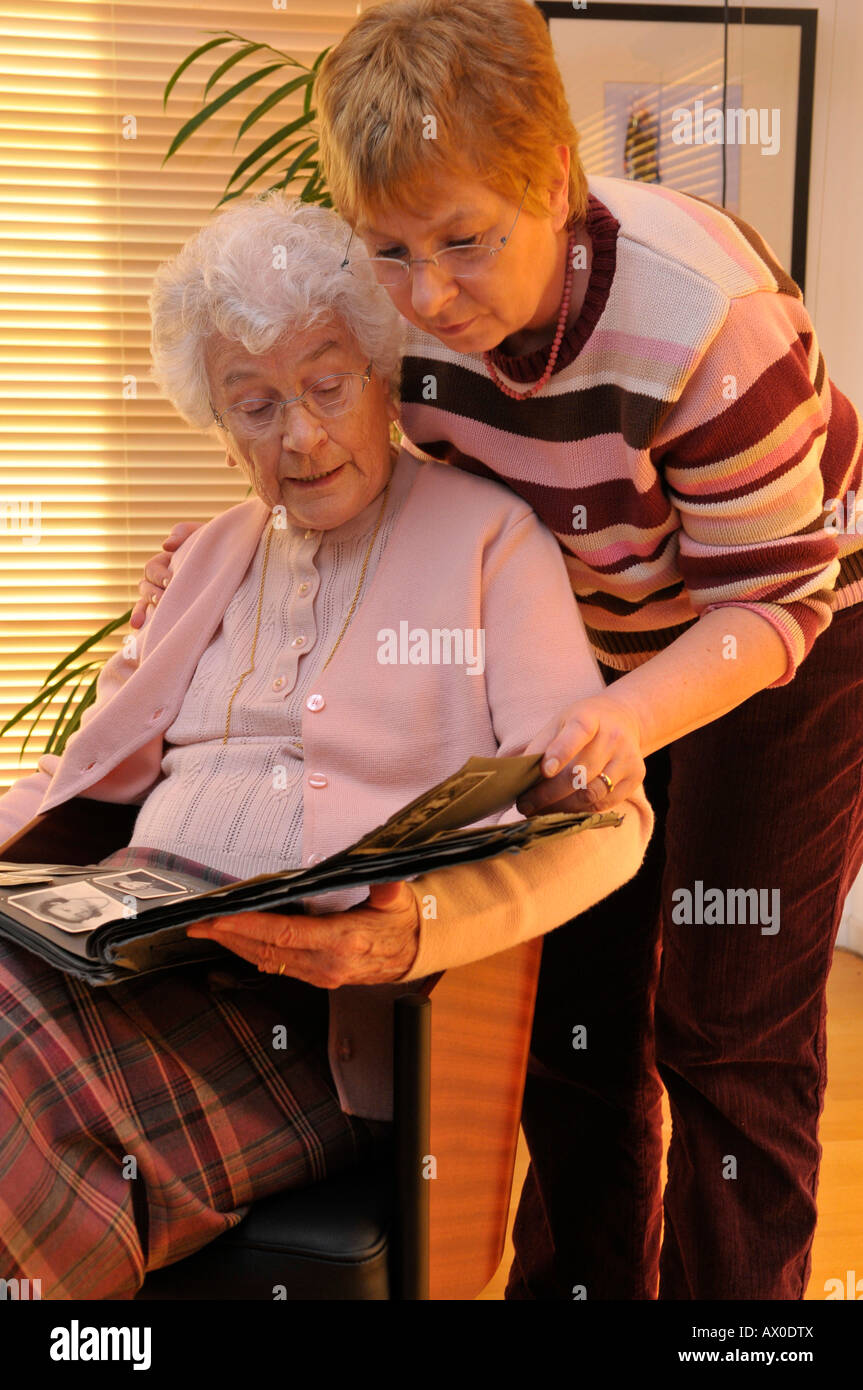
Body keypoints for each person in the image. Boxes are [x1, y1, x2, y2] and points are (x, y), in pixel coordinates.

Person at [137, 0, 863, 1301]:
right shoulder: (400, 312)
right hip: (586, 628)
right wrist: (228, 549)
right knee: (577, 1009)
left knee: (723, 1025)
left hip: (786, 637)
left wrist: (628, 719)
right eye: (390, 250)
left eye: (465, 243)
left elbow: (772, 605)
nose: (426, 298)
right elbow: (362, 468)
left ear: (554, 181)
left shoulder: (707, 318)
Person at [0, 192, 652, 1299]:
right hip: (126, 963)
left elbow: (606, 823)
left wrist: (414, 934)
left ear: (383, 374)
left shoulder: (488, 541)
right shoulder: (207, 554)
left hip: (318, 1021)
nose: (298, 436)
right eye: (255, 405)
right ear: (217, 420)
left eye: (325, 385)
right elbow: (84, 779)